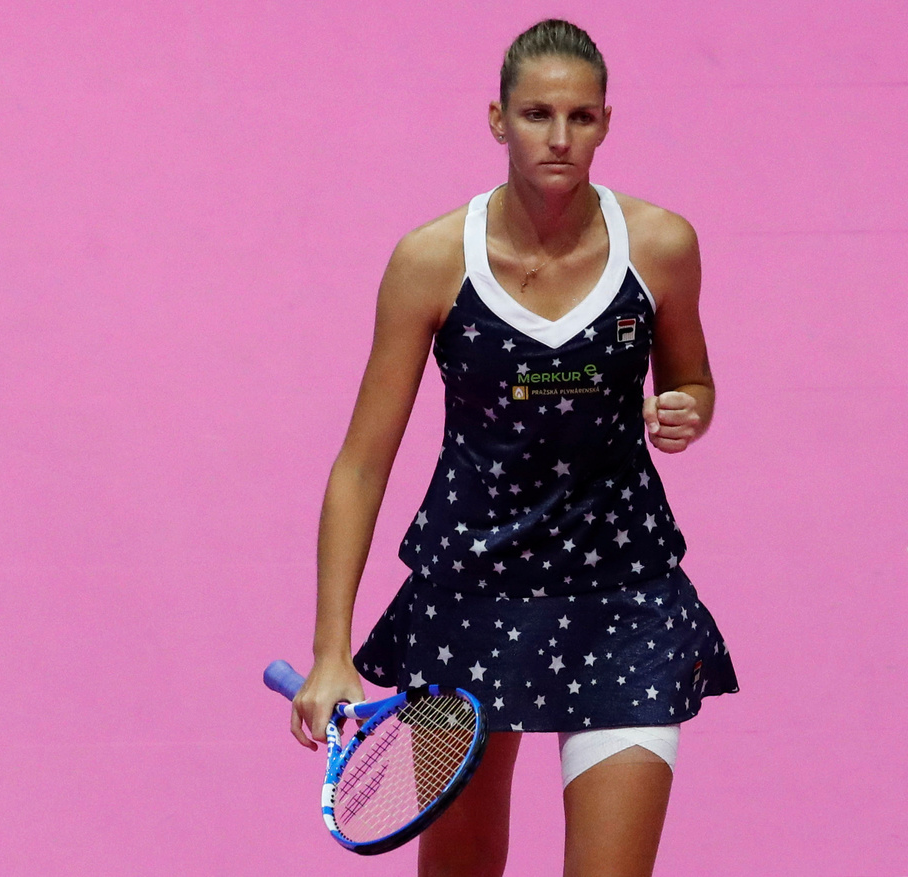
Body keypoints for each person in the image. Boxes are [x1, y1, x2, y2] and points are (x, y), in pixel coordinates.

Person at [288, 18, 739, 877]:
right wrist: (330, 649)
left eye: (580, 116)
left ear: (606, 122)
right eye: (537, 114)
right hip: (465, 601)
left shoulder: (662, 247)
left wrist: (691, 410)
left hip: (624, 597)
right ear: (498, 119)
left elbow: (694, 381)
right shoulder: (430, 261)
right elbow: (362, 464)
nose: (559, 137)